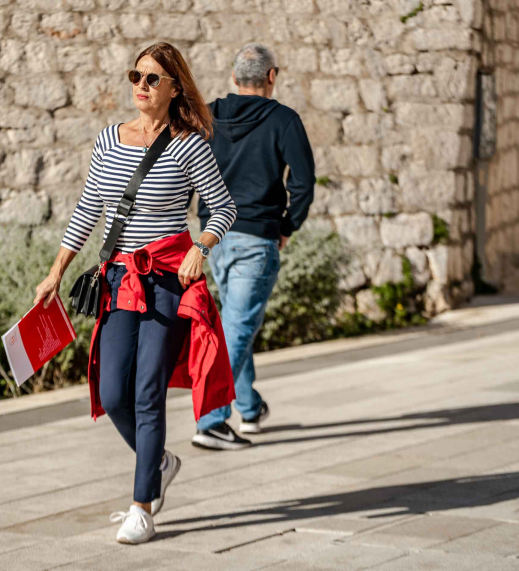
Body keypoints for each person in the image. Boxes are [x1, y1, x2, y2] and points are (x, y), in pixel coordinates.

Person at [33, 42, 238, 545]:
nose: (141, 87)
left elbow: (223, 208)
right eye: (136, 76)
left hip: (168, 281)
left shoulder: (189, 145)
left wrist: (202, 247)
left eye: (152, 79)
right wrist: (56, 271)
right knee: (111, 394)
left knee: (148, 392)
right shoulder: (109, 139)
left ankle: (141, 507)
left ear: (175, 89)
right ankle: (161, 463)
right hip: (120, 280)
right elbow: (89, 209)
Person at [192, 43, 315, 450]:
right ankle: (211, 421)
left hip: (214, 240)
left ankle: (249, 407)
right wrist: (288, 226)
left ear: (234, 77)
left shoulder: (207, 116)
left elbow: (184, 169)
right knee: (237, 328)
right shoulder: (284, 120)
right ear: (272, 77)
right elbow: (303, 183)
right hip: (256, 238)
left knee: (234, 324)